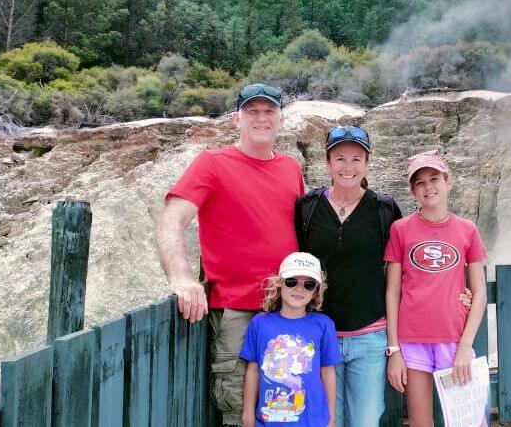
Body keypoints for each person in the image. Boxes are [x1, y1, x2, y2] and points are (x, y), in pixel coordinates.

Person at [156, 83, 305, 426]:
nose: (261, 118)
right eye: (252, 111)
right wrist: (180, 277)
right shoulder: (212, 163)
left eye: (269, 111)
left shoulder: (291, 169)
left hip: (286, 310)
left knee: (286, 407)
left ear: (281, 120)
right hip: (237, 311)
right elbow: (172, 219)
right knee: (240, 410)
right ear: (237, 119)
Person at [294, 126, 402, 426]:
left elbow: (401, 271)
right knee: (327, 420)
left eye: (357, 159)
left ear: (367, 163)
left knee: (365, 421)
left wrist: (461, 291)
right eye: (339, 158)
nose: (348, 167)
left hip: (369, 336)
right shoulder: (307, 207)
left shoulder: (384, 208)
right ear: (327, 163)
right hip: (320, 335)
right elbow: (294, 267)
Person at [385, 150, 488, 427]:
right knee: (421, 423)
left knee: (469, 421)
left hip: (453, 339)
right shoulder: (400, 229)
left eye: (434, 178)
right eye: (420, 182)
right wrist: (394, 350)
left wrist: (465, 346)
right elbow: (392, 292)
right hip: (412, 339)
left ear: (448, 182)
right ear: (412, 191)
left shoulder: (467, 230)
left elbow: (479, 293)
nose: (428, 186)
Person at [240, 252, 340, 427]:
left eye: (309, 284)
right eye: (292, 281)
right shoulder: (259, 323)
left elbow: (328, 372)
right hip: (269, 420)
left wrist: (331, 418)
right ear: (279, 284)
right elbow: (253, 370)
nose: (299, 289)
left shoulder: (324, 325)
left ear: (316, 291)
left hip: (313, 421)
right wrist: (248, 414)